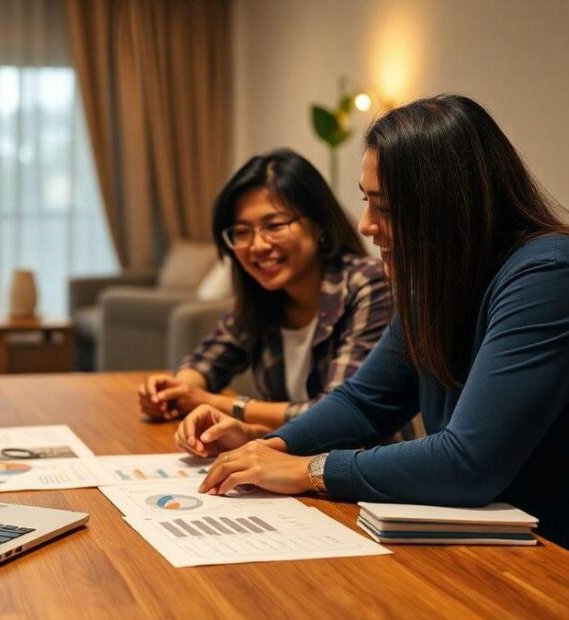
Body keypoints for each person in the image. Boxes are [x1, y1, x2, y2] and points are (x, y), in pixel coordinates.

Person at [180, 95, 569, 548]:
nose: (365, 226)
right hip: (479, 539)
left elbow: (469, 462)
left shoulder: (546, 275)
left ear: (446, 204)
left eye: (384, 207)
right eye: (366, 202)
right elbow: (364, 402)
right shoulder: (433, 281)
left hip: (548, 554)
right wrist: (273, 447)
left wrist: (310, 469)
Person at [139, 149, 390, 432]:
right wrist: (176, 390)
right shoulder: (265, 295)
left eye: (274, 225)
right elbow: (208, 359)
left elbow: (337, 413)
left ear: (318, 224)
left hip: (363, 467)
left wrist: (216, 403)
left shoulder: (368, 284)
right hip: (284, 464)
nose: (257, 245)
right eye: (242, 231)